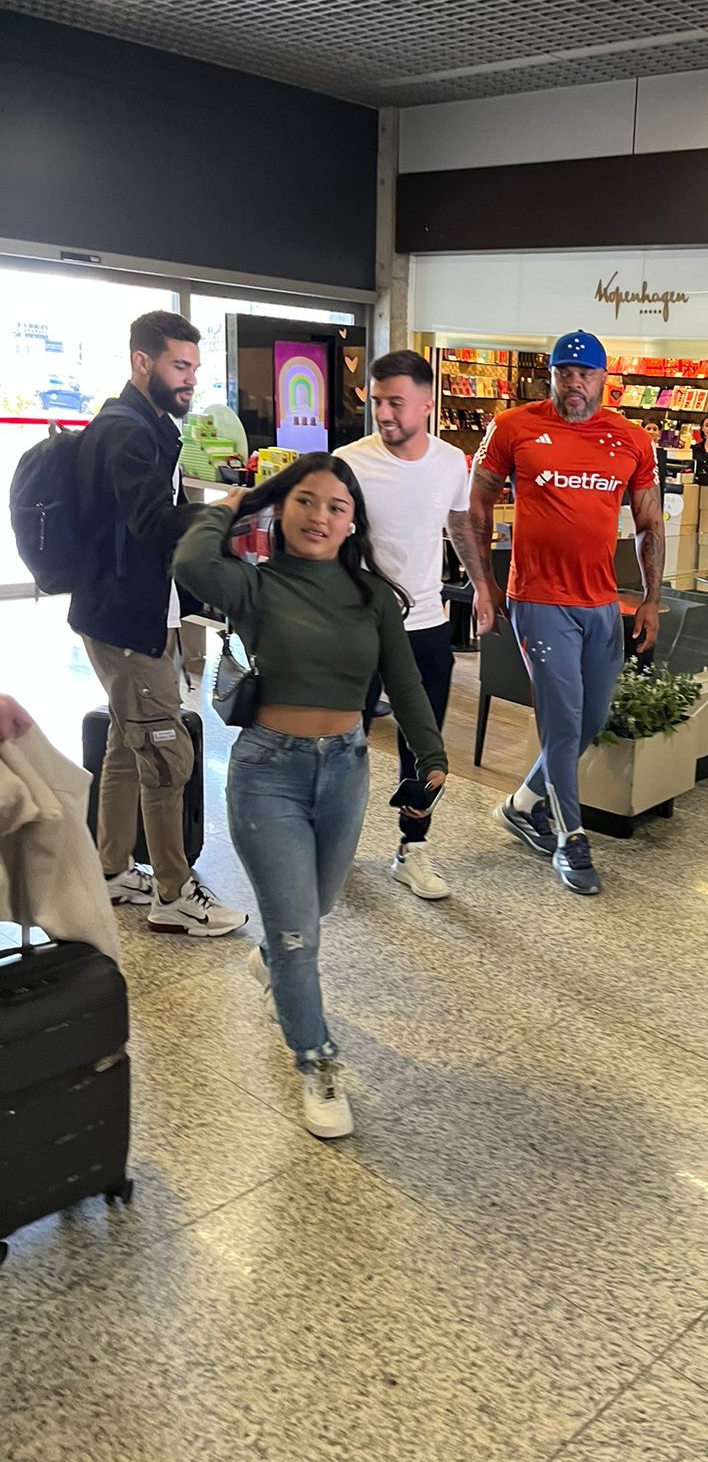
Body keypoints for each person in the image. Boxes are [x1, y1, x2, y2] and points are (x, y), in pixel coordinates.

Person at [171, 454, 447, 1137]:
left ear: (353, 521)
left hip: (346, 770)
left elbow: (404, 680)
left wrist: (432, 754)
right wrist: (227, 504)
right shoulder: (254, 585)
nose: (319, 516)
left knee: (317, 907)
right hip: (268, 774)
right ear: (281, 508)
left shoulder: (371, 597)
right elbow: (190, 565)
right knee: (299, 934)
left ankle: (273, 962)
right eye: (305, 501)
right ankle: (316, 1060)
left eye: (335, 506)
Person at [469, 328, 663, 895]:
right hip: (537, 599)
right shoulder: (513, 427)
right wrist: (483, 583)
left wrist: (650, 599)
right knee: (560, 722)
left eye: (585, 374)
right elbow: (476, 506)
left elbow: (650, 525)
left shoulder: (630, 440)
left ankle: (524, 803)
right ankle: (570, 839)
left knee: (590, 722)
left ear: (605, 379)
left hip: (602, 602)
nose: (573, 383)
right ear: (549, 375)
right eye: (563, 372)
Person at [70, 310, 246, 936]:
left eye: (194, 368)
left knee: (127, 742)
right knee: (167, 754)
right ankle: (173, 893)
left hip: (131, 611)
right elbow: (152, 523)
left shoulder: (148, 427)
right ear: (141, 362)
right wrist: (221, 512)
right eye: (179, 366)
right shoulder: (127, 433)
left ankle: (111, 867)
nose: (189, 380)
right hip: (127, 620)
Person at [337, 350, 487, 903]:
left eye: (395, 402)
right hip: (357, 625)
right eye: (377, 401)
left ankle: (412, 847)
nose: (383, 412)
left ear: (426, 404)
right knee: (344, 738)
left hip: (425, 626)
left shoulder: (451, 462)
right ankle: (335, 840)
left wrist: (484, 589)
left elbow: (458, 523)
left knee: (423, 748)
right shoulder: (348, 461)